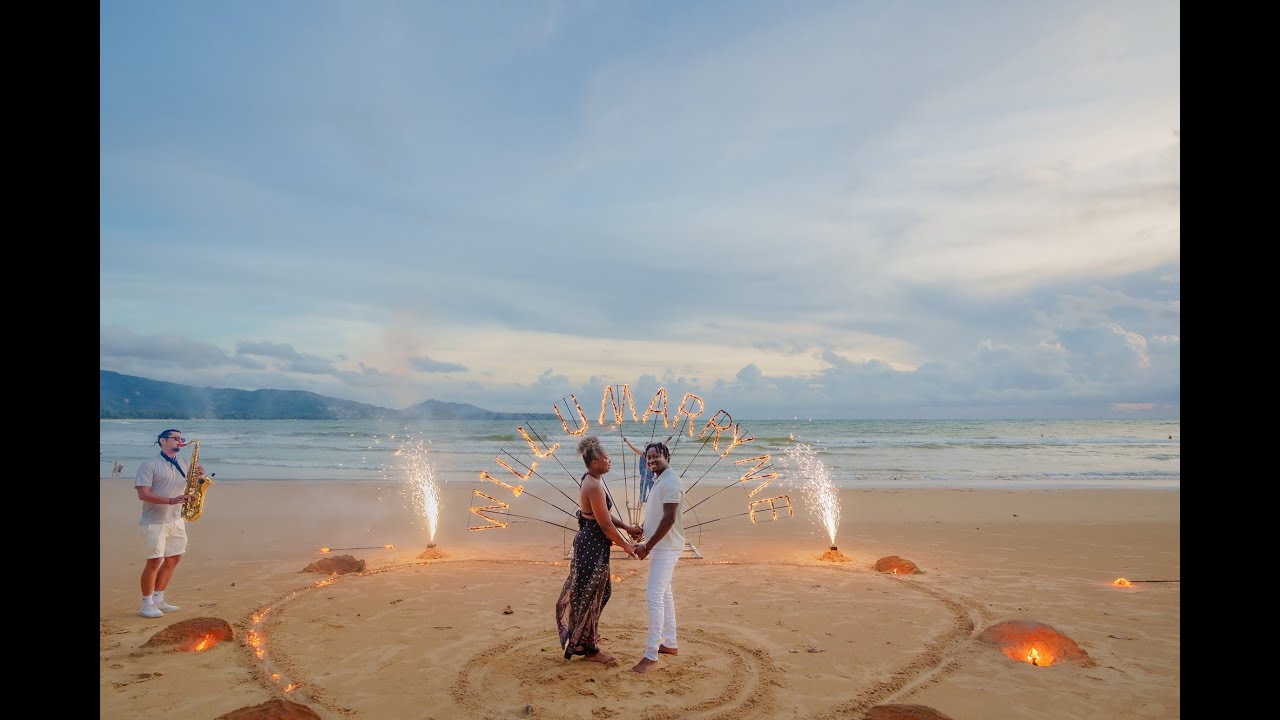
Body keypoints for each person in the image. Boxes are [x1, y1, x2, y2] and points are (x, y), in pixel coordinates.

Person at [555, 435, 642, 665]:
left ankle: (585, 641)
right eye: (606, 458)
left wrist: (626, 527)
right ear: (595, 462)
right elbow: (603, 525)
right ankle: (590, 648)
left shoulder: (592, 481)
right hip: (591, 546)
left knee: (597, 593)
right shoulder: (593, 485)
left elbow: (601, 515)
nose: (609, 460)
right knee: (591, 595)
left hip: (593, 544)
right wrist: (626, 546)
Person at [133, 428, 205, 619]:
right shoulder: (149, 465)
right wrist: (171, 500)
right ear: (163, 441)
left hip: (176, 519)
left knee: (174, 558)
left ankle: (158, 599)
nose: (181, 441)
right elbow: (143, 494)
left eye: (182, 438)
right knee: (155, 561)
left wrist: (199, 478)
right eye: (176, 438)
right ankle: (146, 604)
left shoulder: (184, 463)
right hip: (155, 521)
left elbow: (192, 486)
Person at [631, 440, 684, 673]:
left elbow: (670, 518)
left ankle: (651, 654)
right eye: (648, 457)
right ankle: (670, 643)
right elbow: (657, 513)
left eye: (655, 456)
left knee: (653, 595)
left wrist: (647, 546)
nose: (651, 460)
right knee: (665, 594)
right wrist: (643, 527)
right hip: (661, 545)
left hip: (666, 547)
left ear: (666, 457)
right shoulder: (659, 480)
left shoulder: (671, 481)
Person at [621, 433, 673, 504]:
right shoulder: (642, 454)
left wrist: (667, 440)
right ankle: (641, 504)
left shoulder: (653, 456)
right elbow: (634, 448)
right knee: (642, 493)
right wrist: (627, 442)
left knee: (652, 493)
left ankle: (649, 503)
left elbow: (661, 447)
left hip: (651, 477)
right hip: (644, 477)